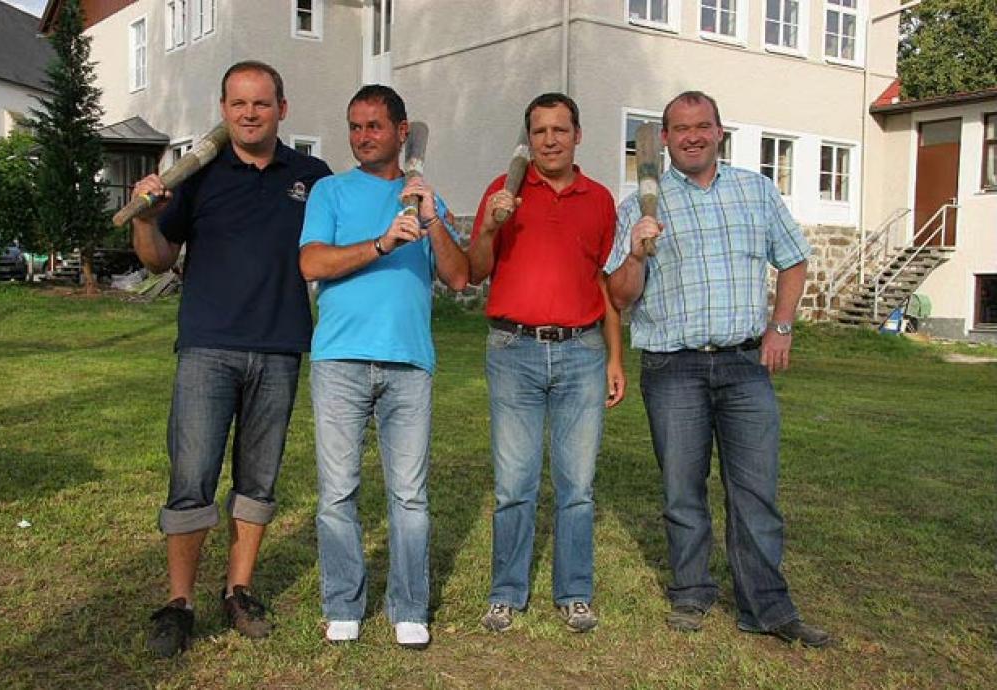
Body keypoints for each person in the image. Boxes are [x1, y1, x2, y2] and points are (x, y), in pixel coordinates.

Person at [605, 90, 830, 647]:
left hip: (744, 364)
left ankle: (768, 608)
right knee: (683, 490)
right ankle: (691, 593)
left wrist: (781, 326)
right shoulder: (639, 204)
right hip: (673, 367)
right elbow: (619, 295)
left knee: (756, 492)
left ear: (720, 131)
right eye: (679, 128)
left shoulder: (755, 190)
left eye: (701, 126)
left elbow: (795, 260)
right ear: (663, 138)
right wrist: (635, 253)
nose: (691, 136)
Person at [131, 60, 332, 658]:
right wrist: (145, 215)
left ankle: (238, 589)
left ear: (282, 109)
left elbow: (335, 244)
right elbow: (158, 259)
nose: (249, 113)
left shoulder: (312, 176)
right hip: (207, 347)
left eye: (262, 104)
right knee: (192, 476)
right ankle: (180, 602)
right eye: (239, 104)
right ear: (224, 110)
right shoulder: (196, 174)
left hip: (279, 346)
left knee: (258, 479)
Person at [298, 84, 468, 649]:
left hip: (408, 364)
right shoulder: (330, 191)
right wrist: (380, 243)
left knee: (410, 496)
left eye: (374, 126)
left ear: (401, 132)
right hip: (340, 361)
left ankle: (409, 606)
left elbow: (460, 276)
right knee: (338, 492)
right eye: (354, 126)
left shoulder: (422, 197)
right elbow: (310, 262)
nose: (362, 137)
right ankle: (343, 601)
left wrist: (431, 214)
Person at [468, 93, 625, 634]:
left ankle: (575, 592)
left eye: (561, 130)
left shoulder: (601, 200)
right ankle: (506, 593)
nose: (550, 140)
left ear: (578, 135)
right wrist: (490, 225)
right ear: (527, 139)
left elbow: (605, 285)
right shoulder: (503, 191)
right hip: (515, 352)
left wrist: (614, 358)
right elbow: (474, 269)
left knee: (577, 484)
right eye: (540, 132)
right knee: (515, 483)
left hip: (583, 352)